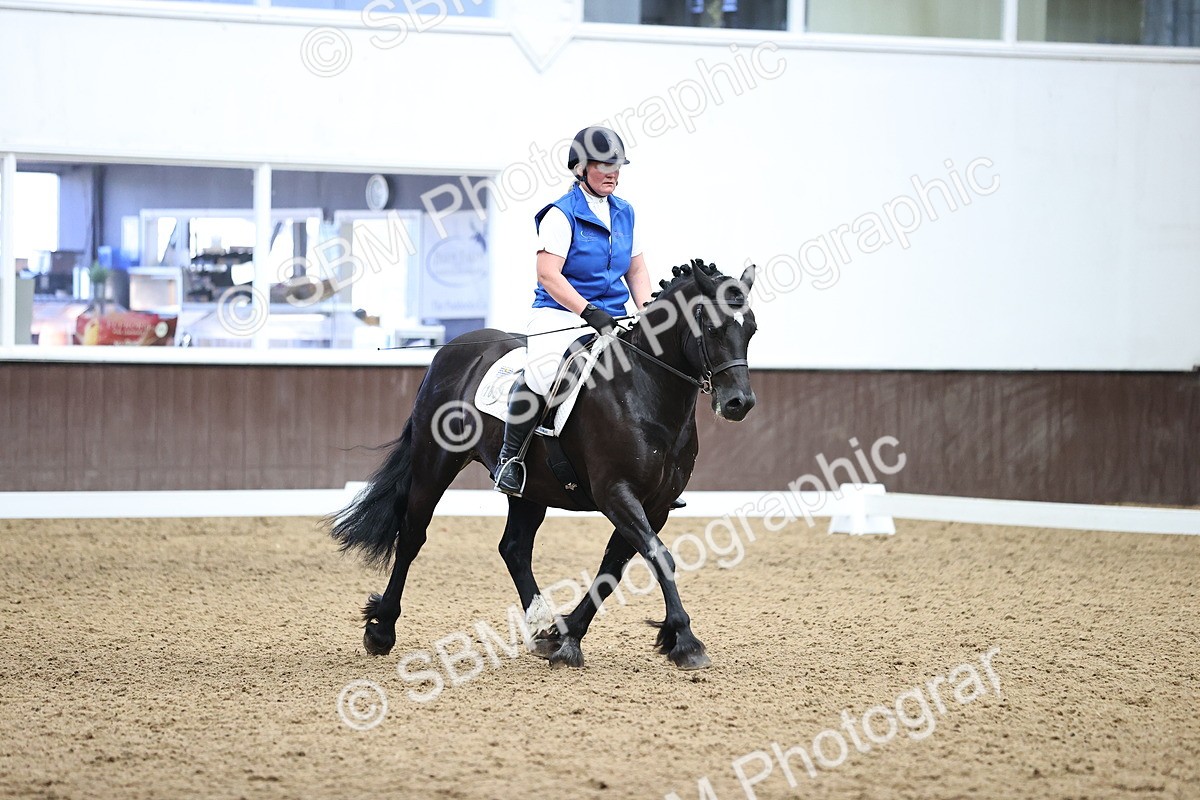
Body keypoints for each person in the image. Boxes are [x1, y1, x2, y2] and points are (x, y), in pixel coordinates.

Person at [494, 125, 653, 497]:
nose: (613, 174)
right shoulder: (561, 214)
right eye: (603, 166)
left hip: (613, 316)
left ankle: (653, 471)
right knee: (545, 373)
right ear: (581, 168)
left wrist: (647, 312)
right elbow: (548, 274)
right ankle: (510, 458)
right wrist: (588, 311)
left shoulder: (625, 213)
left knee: (649, 369)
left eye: (617, 166)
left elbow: (636, 270)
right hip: (560, 313)